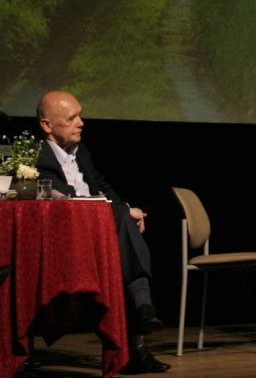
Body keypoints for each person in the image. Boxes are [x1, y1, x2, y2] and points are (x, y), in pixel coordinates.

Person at [35, 91, 170, 374]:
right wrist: (121, 211)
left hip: (101, 233)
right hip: (67, 240)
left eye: (80, 115)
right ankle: (142, 312)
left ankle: (137, 337)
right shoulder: (37, 156)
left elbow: (103, 187)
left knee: (122, 240)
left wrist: (124, 209)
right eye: (71, 119)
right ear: (47, 125)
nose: (81, 123)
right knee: (122, 227)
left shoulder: (81, 152)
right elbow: (66, 200)